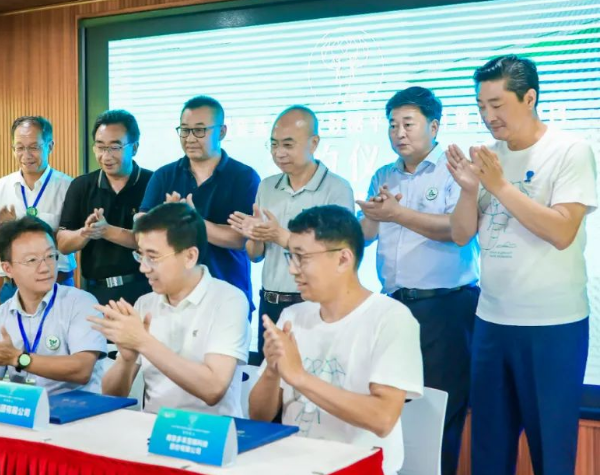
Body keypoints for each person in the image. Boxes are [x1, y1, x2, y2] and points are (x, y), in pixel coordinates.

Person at [447, 55, 597, 475]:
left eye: (497, 104)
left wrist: (498, 185)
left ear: (529, 98)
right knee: (489, 451)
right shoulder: (487, 157)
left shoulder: (569, 151)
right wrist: (469, 190)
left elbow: (562, 231)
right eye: (481, 105)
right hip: (492, 321)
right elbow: (460, 235)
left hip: (553, 326)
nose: (487, 115)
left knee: (551, 451)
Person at [356, 86, 479, 475]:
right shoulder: (384, 174)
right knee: (393, 403)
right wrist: (370, 214)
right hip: (394, 306)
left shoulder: (454, 171)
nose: (398, 133)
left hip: (445, 306)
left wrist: (397, 214)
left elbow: (457, 231)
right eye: (392, 125)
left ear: (434, 126)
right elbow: (367, 235)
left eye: (408, 124)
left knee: (440, 412)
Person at [248, 205, 423, 475]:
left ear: (343, 259)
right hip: (294, 464)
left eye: (302, 257)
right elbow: (259, 416)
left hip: (360, 468)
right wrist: (272, 372)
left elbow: (383, 418)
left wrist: (300, 377)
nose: (292, 269)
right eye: (290, 256)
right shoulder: (293, 316)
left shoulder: (391, 318)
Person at [91, 203, 250, 416]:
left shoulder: (228, 300)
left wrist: (143, 342)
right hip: (154, 428)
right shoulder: (145, 303)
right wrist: (127, 360)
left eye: (153, 257)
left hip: (210, 431)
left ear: (190, 256)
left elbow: (213, 389)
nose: (143, 267)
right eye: (140, 255)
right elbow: (112, 396)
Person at [228, 105, 353, 352]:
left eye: (287, 145)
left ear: (314, 143)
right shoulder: (267, 186)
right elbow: (255, 255)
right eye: (274, 144)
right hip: (271, 301)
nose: (279, 153)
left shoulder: (337, 189)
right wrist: (254, 235)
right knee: (269, 372)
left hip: (315, 305)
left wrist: (281, 235)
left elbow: (337, 255)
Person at [139, 96, 260, 310]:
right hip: (172, 297)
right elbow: (142, 229)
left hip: (228, 293)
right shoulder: (164, 176)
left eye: (199, 130)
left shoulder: (244, 177)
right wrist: (165, 220)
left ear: (222, 132)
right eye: (185, 130)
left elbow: (241, 239)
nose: (190, 138)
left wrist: (191, 220)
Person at [0, 216, 106, 393]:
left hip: (77, 407)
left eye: (50, 256)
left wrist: (19, 358)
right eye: (31, 260)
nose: (45, 267)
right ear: (8, 269)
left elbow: (82, 370)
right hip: (23, 407)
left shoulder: (81, 303)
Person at [0, 116, 76, 304]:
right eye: (19, 148)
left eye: (34, 147)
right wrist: (5, 229)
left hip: (58, 285)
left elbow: (73, 241)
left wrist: (18, 231)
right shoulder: (1, 187)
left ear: (50, 146)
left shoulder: (69, 187)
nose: (26, 155)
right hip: (13, 288)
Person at [58, 110, 153, 305]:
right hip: (96, 292)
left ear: (134, 147)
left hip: (145, 289)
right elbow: (63, 245)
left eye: (115, 147)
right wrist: (85, 233)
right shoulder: (81, 185)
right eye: (100, 147)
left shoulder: (153, 183)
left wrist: (106, 231)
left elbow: (155, 241)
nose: (106, 156)